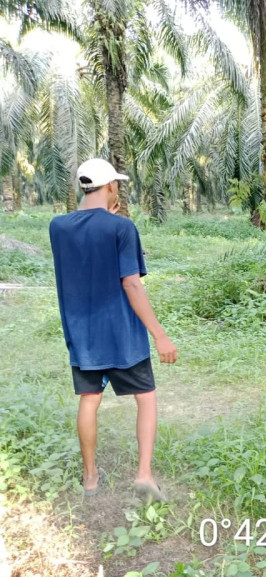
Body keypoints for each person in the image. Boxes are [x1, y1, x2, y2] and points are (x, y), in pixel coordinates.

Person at [49, 158, 177, 501]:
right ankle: (144, 476)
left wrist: (101, 211)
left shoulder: (57, 227)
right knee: (146, 399)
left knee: (89, 401)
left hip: (83, 335)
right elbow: (131, 285)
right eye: (115, 184)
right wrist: (160, 335)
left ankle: (90, 478)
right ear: (111, 187)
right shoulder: (122, 228)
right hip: (123, 335)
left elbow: (83, 230)